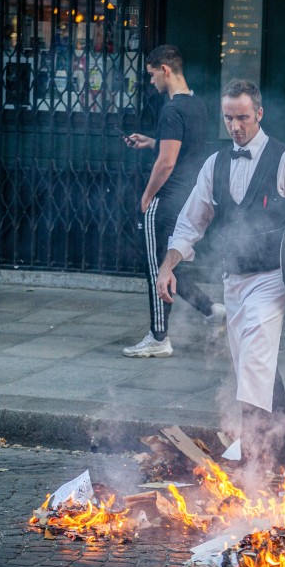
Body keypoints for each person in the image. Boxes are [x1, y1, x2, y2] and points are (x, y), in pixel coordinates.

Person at [156, 79, 285, 483]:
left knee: (254, 361)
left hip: (275, 278)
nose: (235, 126)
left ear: (259, 114)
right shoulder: (215, 164)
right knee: (253, 366)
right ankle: (280, 455)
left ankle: (258, 463)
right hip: (233, 279)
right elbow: (189, 224)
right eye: (229, 118)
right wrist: (168, 266)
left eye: (243, 117)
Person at [121, 45, 224, 359]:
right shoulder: (197, 106)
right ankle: (212, 311)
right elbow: (181, 150)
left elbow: (167, 163)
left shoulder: (171, 110)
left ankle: (158, 337)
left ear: (165, 70)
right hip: (188, 199)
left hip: (166, 200)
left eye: (152, 74)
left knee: (156, 268)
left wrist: (148, 195)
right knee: (172, 266)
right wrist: (150, 141)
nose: (151, 81)